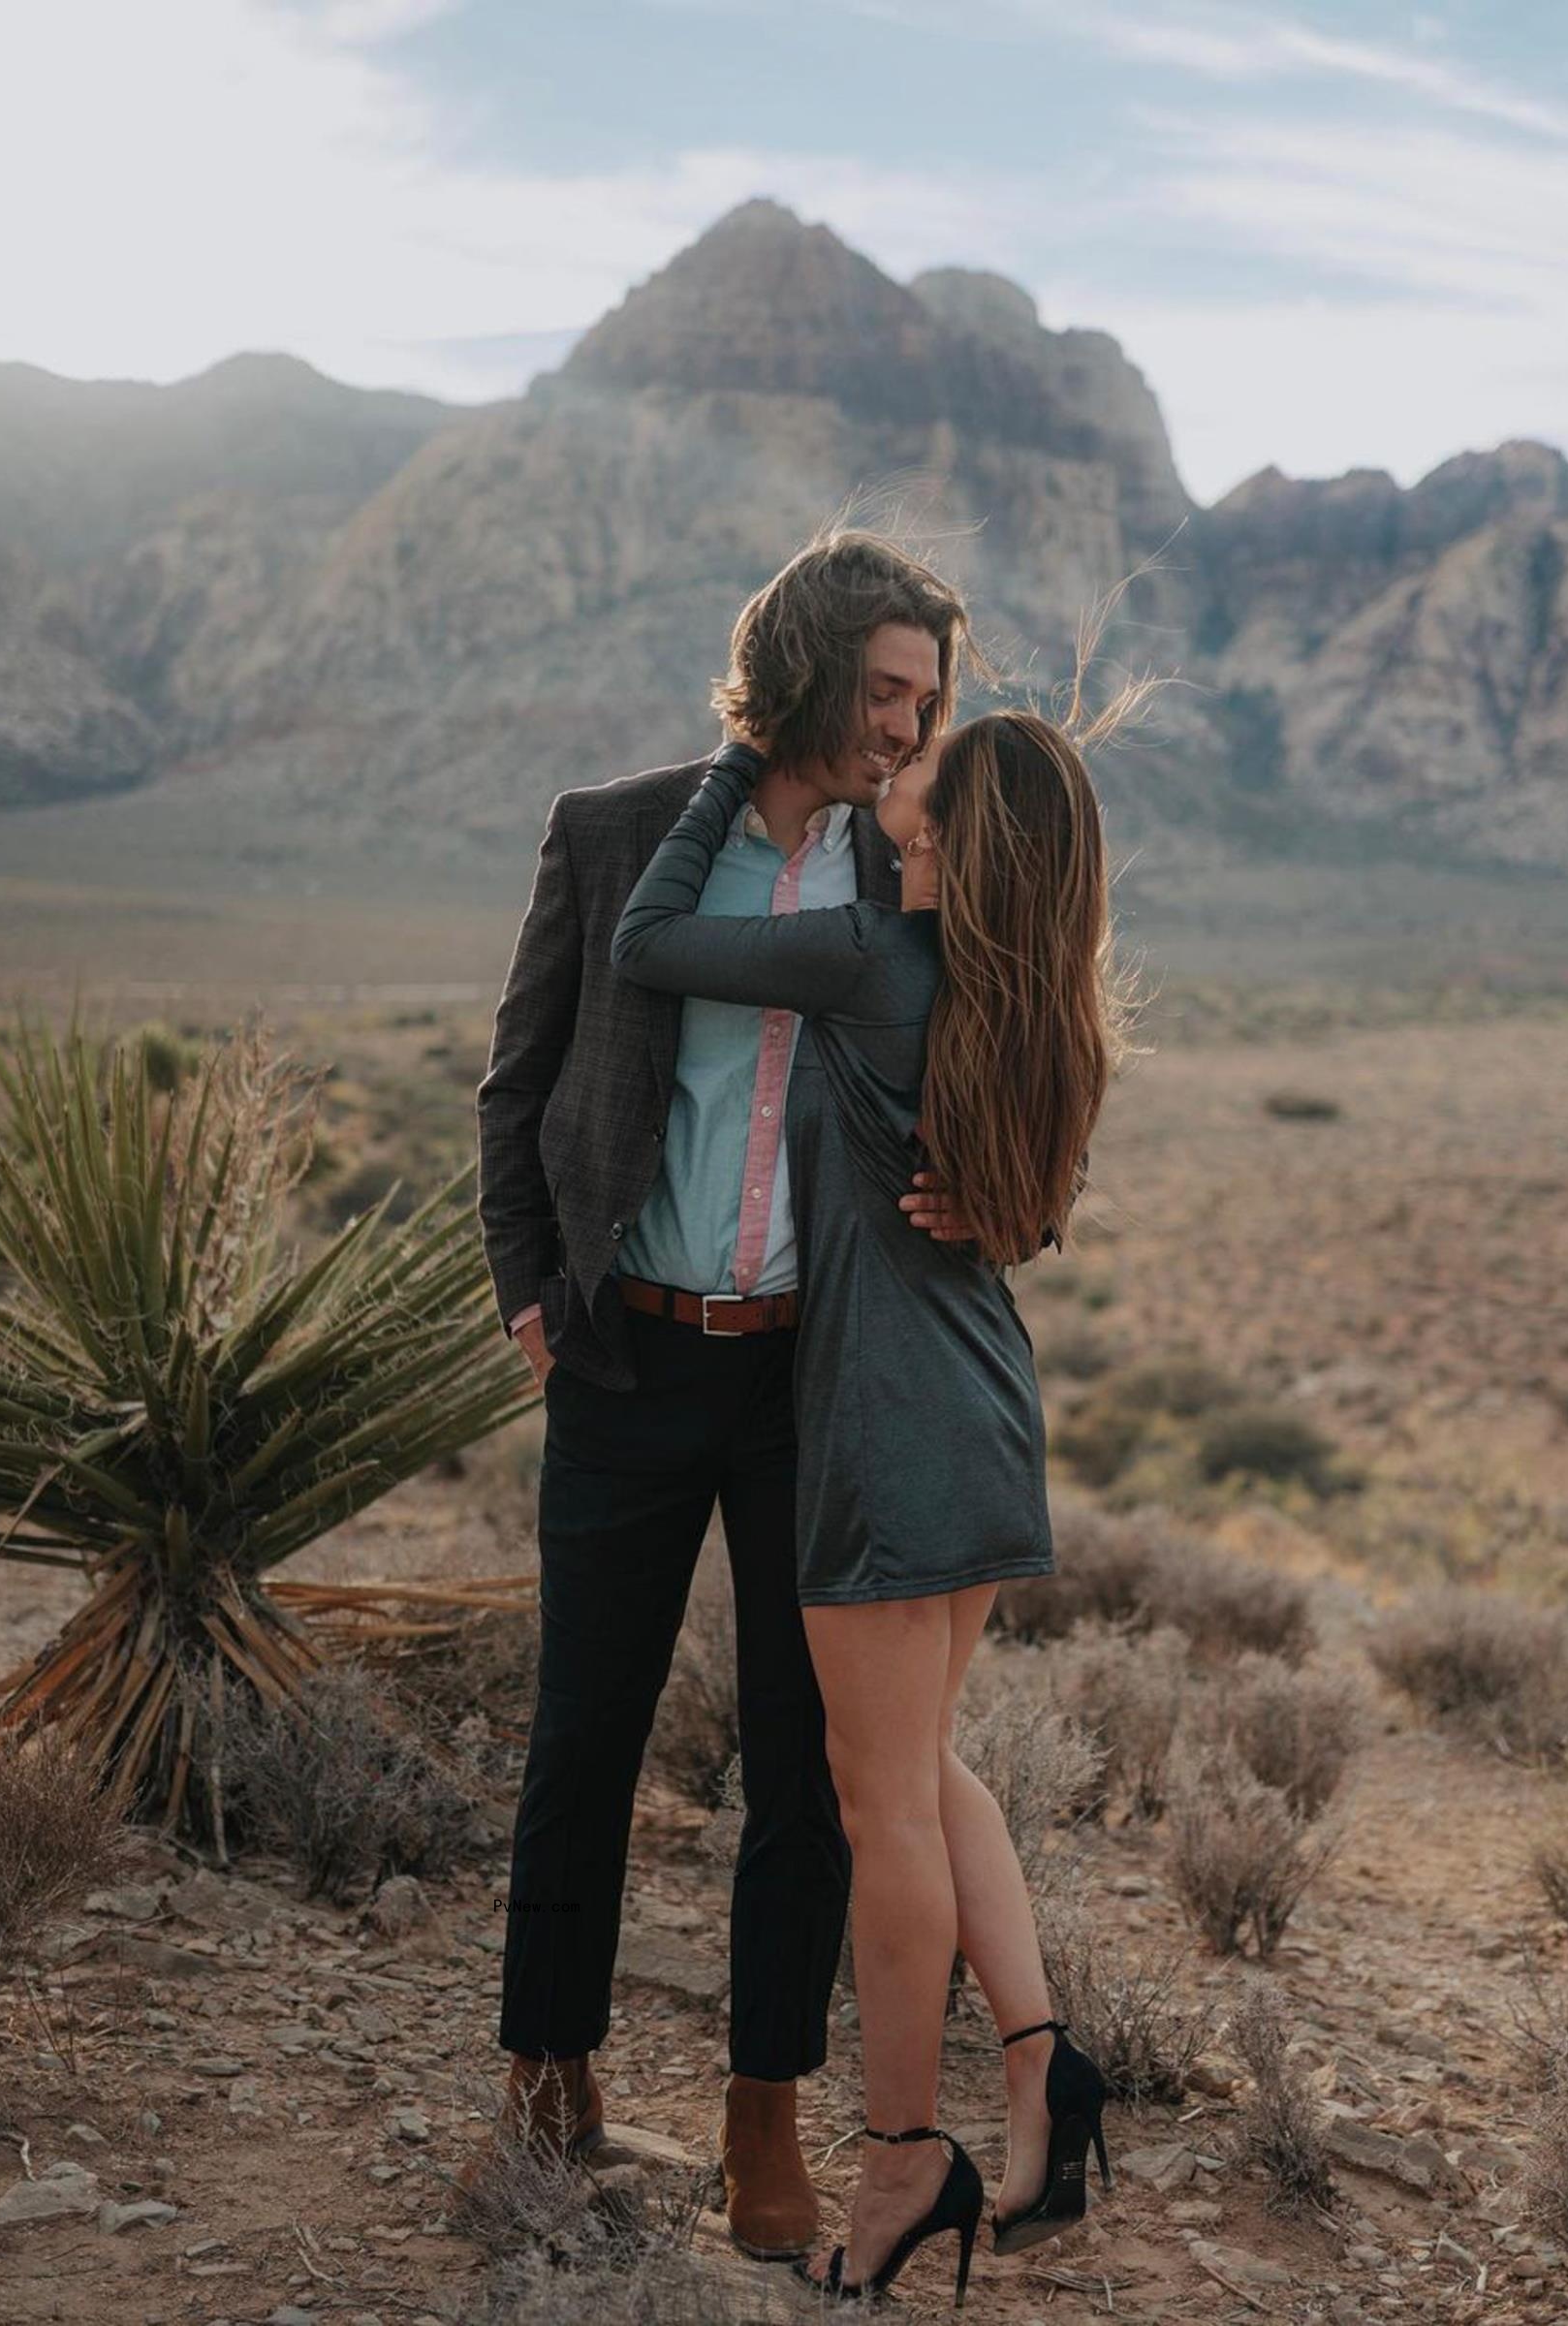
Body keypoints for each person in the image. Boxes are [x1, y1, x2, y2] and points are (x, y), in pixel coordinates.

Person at [471, 528, 978, 2259]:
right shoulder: (615, 835)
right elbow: (516, 1080)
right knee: (584, 1731)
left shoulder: (911, 867)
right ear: (812, 672)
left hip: (808, 1385)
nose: (910, 730)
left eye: (929, 700)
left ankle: (766, 2114)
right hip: (625, 1353)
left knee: (803, 1769)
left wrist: (1000, 1197)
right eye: (887, 691)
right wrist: (528, 1288)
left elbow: (1008, 1078)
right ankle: (550, 2069)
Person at [611, 696, 1141, 2305]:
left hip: (887, 1422)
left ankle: (907, 2153)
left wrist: (728, 762)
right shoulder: (1031, 1002)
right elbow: (1029, 1205)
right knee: (922, 1768)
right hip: (981, 1401)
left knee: (881, 1807)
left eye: (922, 769)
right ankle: (1045, 2065)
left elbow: (648, 939)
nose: (892, 770)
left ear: (955, 835)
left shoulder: (861, 954)